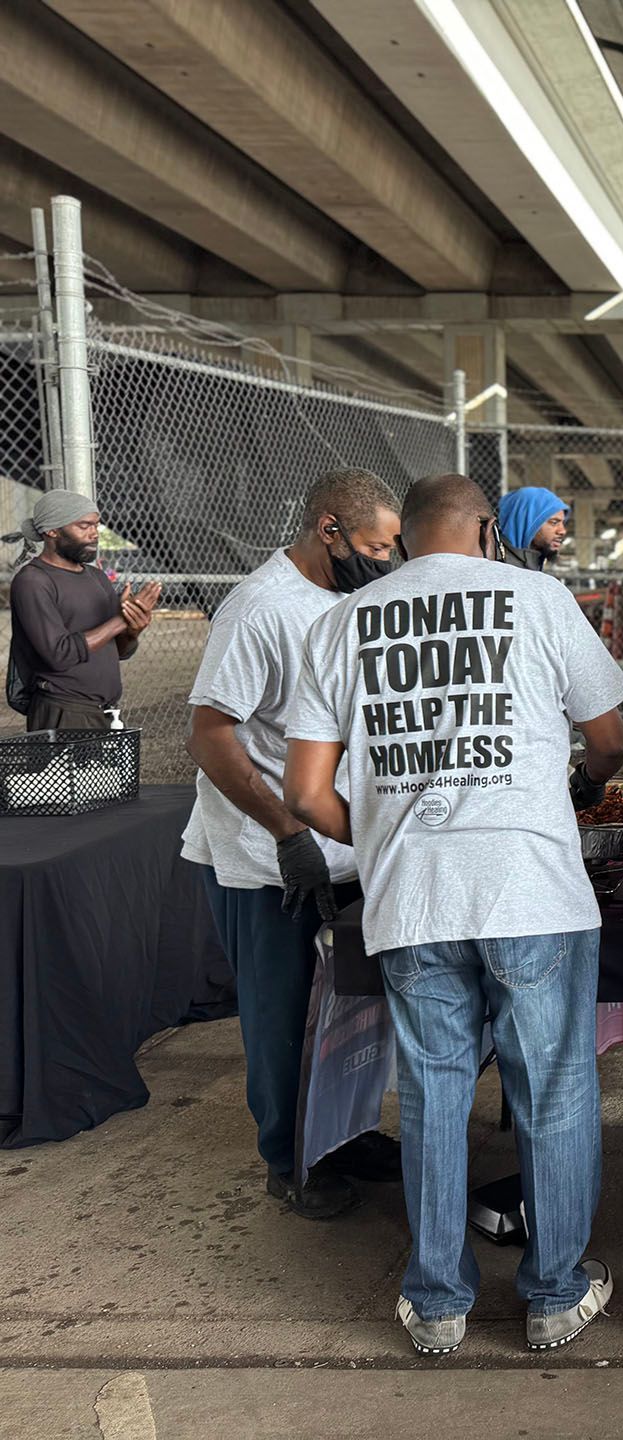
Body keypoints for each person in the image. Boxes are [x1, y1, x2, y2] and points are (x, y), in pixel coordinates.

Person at [284, 474, 623, 1358]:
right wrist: (578, 783)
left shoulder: (342, 622)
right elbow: (611, 739)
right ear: (486, 529)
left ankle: (438, 1303)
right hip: (533, 889)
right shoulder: (540, 598)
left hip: (413, 898)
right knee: (551, 1086)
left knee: (436, 1093)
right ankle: (555, 1294)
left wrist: (387, 841)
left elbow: (305, 791)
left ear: (407, 540)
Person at [181, 468, 402, 1220]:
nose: (385, 559)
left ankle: (347, 1134)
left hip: (342, 843)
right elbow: (210, 735)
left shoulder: (348, 599)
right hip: (266, 852)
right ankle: (287, 1157)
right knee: (281, 1017)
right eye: (375, 545)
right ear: (328, 529)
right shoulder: (258, 609)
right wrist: (287, 833)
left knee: (352, 1011)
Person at [5, 489, 161, 731]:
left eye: (96, 525)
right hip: (63, 711)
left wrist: (132, 629)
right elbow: (59, 654)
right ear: (52, 531)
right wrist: (120, 620)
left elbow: (117, 650)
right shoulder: (33, 581)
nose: (94, 534)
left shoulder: (97, 577)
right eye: (84, 526)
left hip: (106, 711)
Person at [497, 486, 569, 572]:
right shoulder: (497, 567)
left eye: (563, 523)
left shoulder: (533, 565)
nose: (562, 531)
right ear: (527, 522)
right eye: (554, 522)